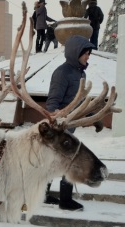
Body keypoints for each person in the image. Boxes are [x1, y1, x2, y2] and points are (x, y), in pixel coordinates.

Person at [45, 35, 102, 211]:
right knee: (68, 161)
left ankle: (44, 195)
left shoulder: (80, 73)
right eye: (85, 53)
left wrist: (94, 117)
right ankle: (65, 200)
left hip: (72, 126)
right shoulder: (62, 73)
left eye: (89, 54)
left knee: (54, 161)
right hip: (62, 129)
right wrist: (57, 122)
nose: (88, 57)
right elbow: (52, 103)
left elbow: (79, 102)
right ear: (75, 53)